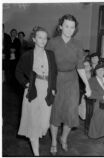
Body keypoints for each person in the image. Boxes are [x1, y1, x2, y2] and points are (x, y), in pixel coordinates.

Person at [46, 14, 91, 155]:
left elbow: (80, 67)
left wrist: (87, 85)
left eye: (72, 27)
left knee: (70, 114)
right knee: (55, 113)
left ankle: (63, 138)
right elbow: (46, 65)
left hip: (72, 81)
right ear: (60, 27)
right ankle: (53, 140)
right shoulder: (52, 43)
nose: (69, 29)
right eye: (66, 26)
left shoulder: (78, 44)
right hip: (55, 79)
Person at [15, 26, 57, 156]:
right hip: (33, 90)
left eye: (45, 38)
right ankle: (36, 154)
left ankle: (37, 137)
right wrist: (26, 83)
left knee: (44, 125)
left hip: (47, 90)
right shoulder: (27, 55)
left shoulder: (50, 54)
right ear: (34, 39)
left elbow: (54, 73)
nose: (43, 40)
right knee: (33, 124)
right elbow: (18, 72)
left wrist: (54, 88)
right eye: (40, 37)